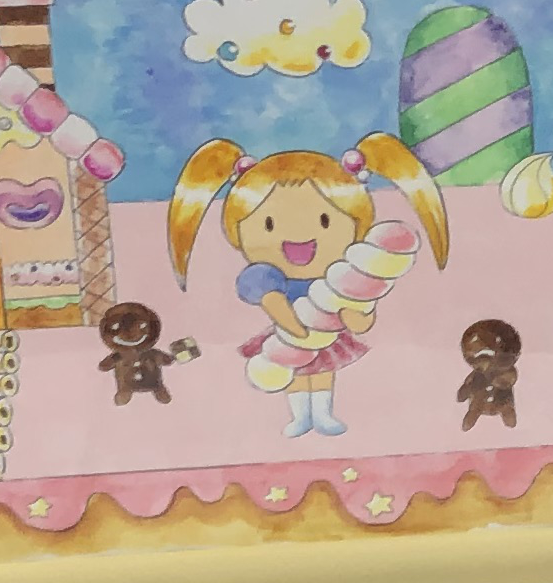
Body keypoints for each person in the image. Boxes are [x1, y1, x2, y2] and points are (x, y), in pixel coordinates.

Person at [166, 135, 453, 440]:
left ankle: (323, 414)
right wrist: (293, 328)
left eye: (325, 220)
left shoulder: (343, 279)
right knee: (297, 373)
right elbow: (272, 300)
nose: (299, 233)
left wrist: (356, 314)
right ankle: (301, 416)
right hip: (290, 333)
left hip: (326, 329)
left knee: (323, 372)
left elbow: (360, 314)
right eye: (269, 224)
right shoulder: (267, 275)